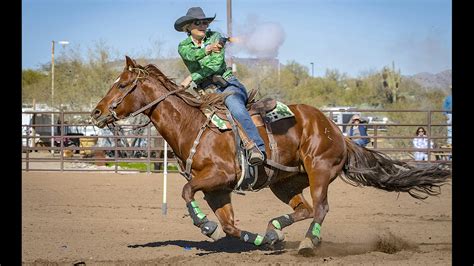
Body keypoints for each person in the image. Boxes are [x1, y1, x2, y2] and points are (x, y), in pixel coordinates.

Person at [174, 7, 266, 165]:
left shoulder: (215, 36)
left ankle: (257, 148)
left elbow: (215, 65)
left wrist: (191, 77)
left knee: (235, 107)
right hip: (205, 91)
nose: (203, 25)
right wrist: (207, 49)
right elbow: (191, 55)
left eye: (205, 22)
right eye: (198, 23)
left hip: (228, 85)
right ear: (187, 27)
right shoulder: (183, 46)